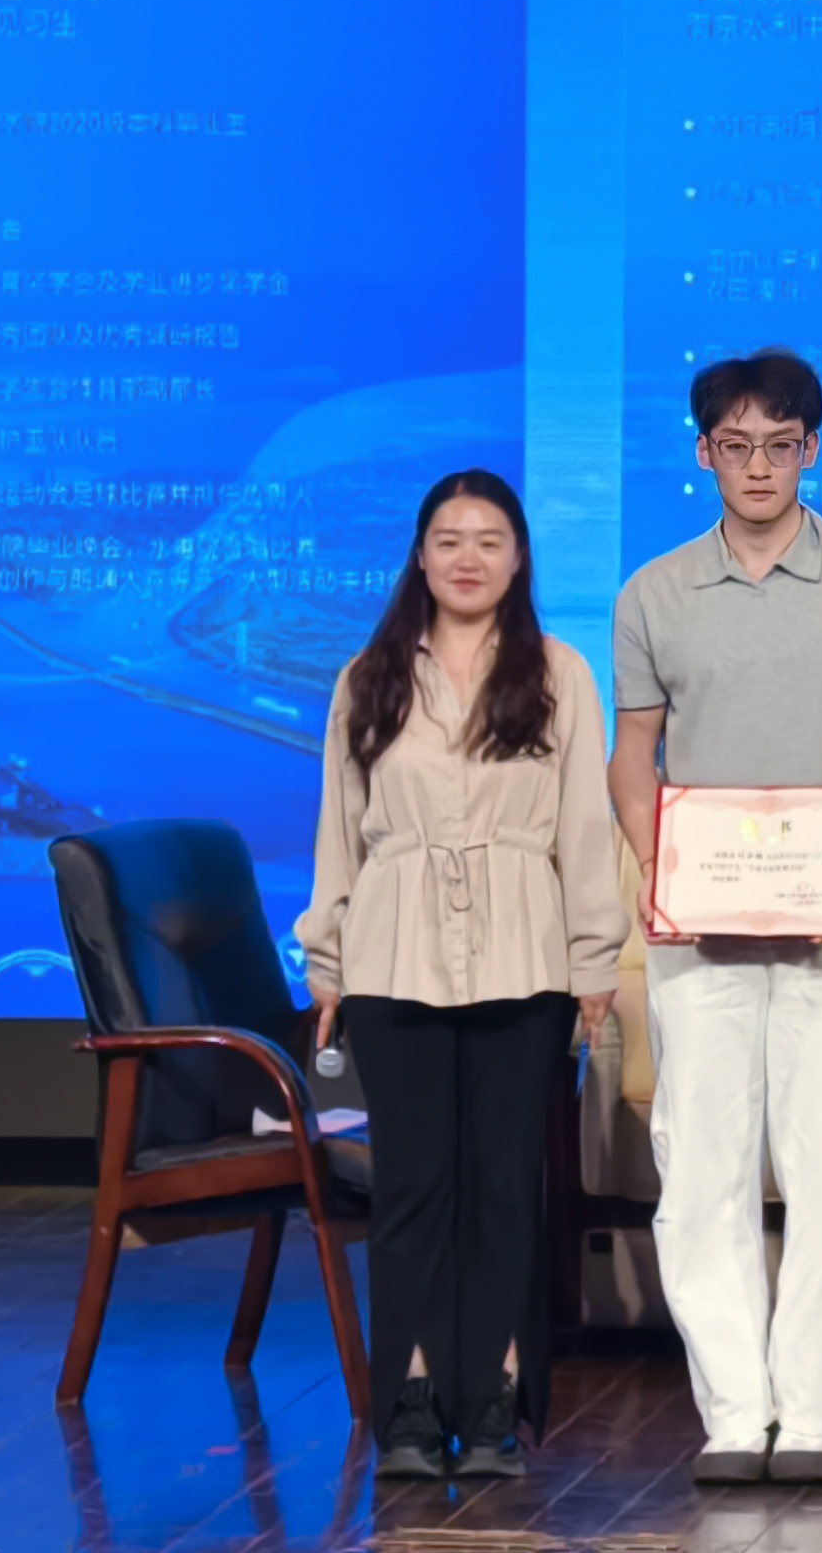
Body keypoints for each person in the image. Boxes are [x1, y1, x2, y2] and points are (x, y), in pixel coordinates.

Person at [607, 350, 822, 1486]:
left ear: (812, 450)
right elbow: (634, 754)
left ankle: (815, 1413)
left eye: (780, 445)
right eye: (737, 446)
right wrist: (661, 863)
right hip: (697, 929)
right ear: (704, 452)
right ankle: (735, 1413)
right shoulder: (652, 593)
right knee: (702, 1168)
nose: (759, 466)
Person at [300, 469, 625, 1482]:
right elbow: (339, 832)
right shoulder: (367, 678)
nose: (468, 558)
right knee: (411, 1189)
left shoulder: (560, 674)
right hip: (393, 957)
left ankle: (494, 1397)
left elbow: (586, 830)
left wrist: (593, 962)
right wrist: (327, 964)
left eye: (489, 540)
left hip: (524, 959)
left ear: (519, 558)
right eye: (449, 540)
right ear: (419, 555)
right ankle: (409, 1400)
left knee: (502, 1187)